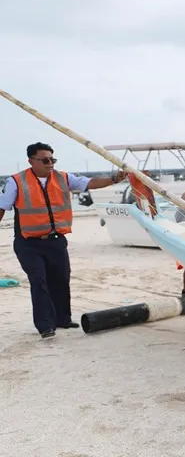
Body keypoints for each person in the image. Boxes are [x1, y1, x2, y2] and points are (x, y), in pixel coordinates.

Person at [0, 142, 126, 338]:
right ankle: (45, 326)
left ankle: (63, 319)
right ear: (31, 161)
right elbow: (2, 208)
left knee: (61, 279)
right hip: (28, 243)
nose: (50, 163)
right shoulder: (16, 181)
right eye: (45, 160)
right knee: (39, 281)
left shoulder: (63, 178)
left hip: (56, 241)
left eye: (52, 159)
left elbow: (89, 183)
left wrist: (113, 180)